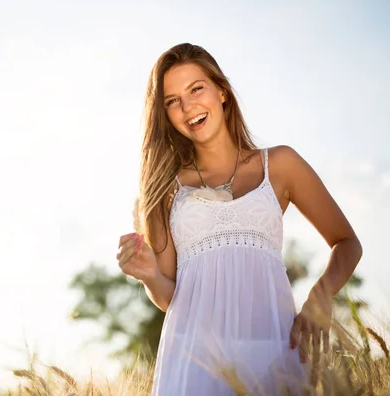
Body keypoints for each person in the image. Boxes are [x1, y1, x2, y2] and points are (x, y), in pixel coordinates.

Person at [116, 43, 363, 395]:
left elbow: (347, 243)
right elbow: (171, 295)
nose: (188, 108)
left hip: (274, 350)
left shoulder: (280, 164)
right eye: (172, 101)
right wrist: (149, 275)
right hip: (193, 359)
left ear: (222, 92)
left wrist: (319, 297)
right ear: (164, 114)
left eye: (196, 89)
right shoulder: (163, 189)